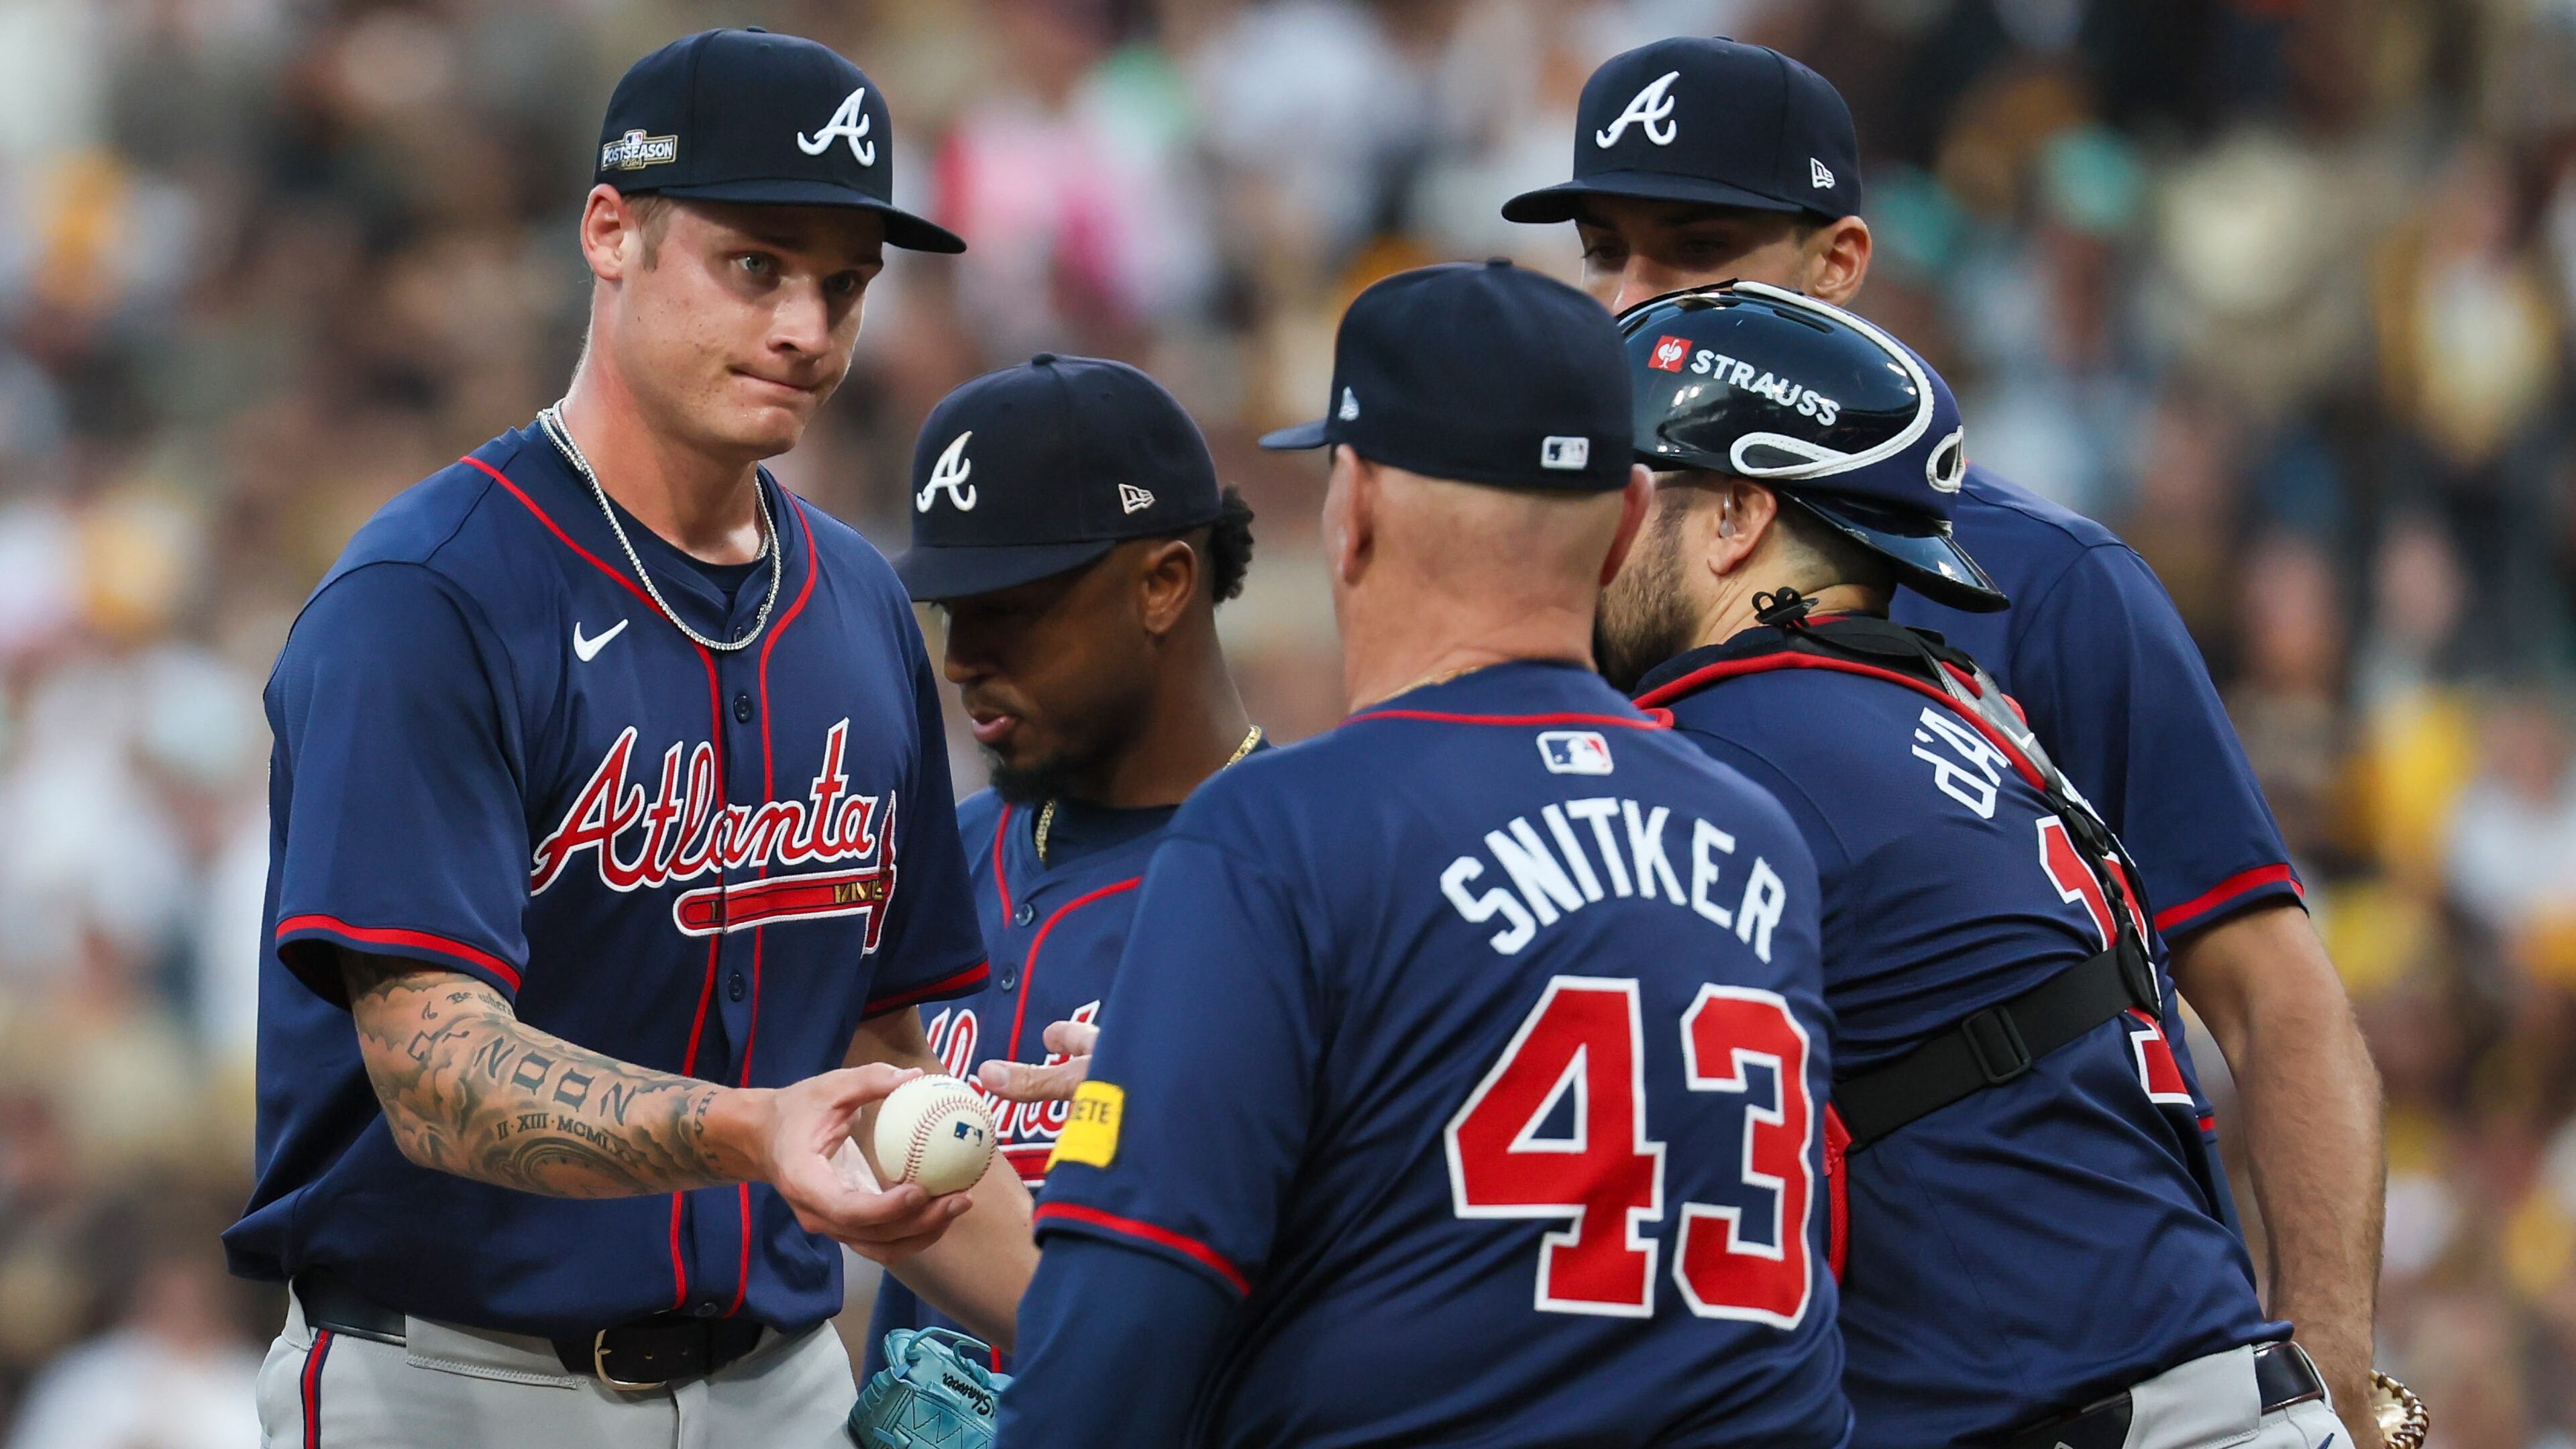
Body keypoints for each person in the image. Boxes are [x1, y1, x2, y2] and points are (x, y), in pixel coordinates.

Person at [1504, 36, 2387, 1442]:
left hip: (2090, 1368)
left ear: (1842, 260)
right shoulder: (1615, 598)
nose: (1632, 296)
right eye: (1607, 251)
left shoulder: (2046, 581)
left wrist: (2337, 1371)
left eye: (1696, 249)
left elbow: (2275, 1000)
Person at [225, 30, 1038, 1448]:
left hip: (783, 1383)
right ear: (611, 232)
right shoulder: (432, 596)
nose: (806, 326)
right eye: (756, 265)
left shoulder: (854, 602)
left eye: (844, 284)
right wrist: (753, 1130)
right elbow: (438, 1075)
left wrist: (1152, 1352)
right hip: (454, 1386)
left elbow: (873, 1061)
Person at [997, 261, 1852, 1448]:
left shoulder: (1276, 831)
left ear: (1352, 511)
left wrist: (1183, 1103)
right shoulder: (1759, 836)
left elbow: (1118, 1327)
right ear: (1620, 529)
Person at [865, 352, 1264, 1371]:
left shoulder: (1315, 880)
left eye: (1010, 605)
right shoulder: (937, 856)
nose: (960, 660)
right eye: (954, 610)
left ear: (1165, 583)